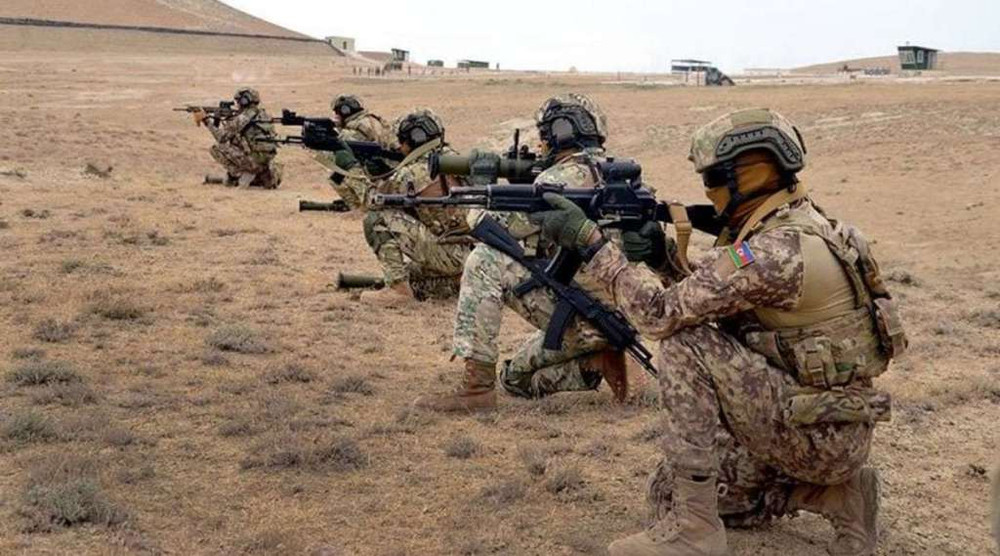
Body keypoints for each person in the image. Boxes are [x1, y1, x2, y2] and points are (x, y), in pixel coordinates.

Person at [527, 108, 906, 556]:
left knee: (685, 344)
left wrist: (593, 246)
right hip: (829, 422)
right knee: (667, 493)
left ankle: (696, 531)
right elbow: (715, 298)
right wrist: (664, 257)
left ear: (750, 173)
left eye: (712, 178)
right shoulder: (807, 224)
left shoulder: (775, 252)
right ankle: (837, 494)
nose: (708, 190)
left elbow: (661, 315)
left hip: (817, 435)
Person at [413, 93, 630, 413]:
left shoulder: (555, 180)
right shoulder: (616, 175)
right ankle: (596, 363)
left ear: (560, 131)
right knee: (515, 378)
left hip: (585, 319)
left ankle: (476, 389)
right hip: (621, 318)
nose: (540, 144)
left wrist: (483, 184)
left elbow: (485, 225)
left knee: (485, 260)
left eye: (544, 134)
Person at [329, 109, 472, 305]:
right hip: (467, 254)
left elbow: (372, 200)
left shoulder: (413, 173)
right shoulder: (450, 159)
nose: (399, 146)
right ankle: (451, 282)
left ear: (412, 140)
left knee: (377, 218)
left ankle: (398, 290)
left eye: (401, 141)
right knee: (415, 279)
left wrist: (351, 169)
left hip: (451, 255)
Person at [194, 88, 281, 189]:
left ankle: (240, 174)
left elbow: (221, 137)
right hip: (265, 161)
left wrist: (206, 120)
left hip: (253, 162)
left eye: (239, 101)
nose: (237, 104)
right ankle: (258, 175)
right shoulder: (264, 115)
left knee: (216, 148)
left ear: (245, 101)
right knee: (235, 141)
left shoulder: (243, 117)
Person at [317, 95, 392, 209]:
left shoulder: (353, 130)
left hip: (380, 172)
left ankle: (357, 204)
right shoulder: (370, 120)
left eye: (337, 113)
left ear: (345, 111)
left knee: (338, 172)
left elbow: (339, 154)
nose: (336, 117)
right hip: (384, 170)